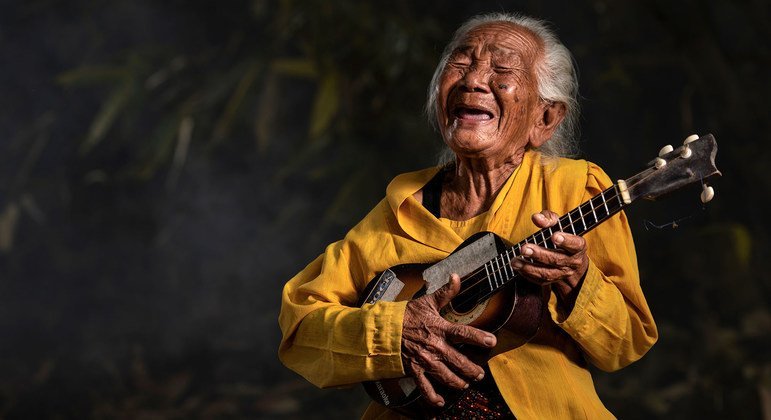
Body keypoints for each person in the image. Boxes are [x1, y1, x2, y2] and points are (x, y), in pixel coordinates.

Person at [278, 12, 657, 419]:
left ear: (544, 118)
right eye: (460, 63)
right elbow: (301, 328)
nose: (473, 80)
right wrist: (394, 330)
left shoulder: (575, 189)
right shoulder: (398, 210)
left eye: (502, 68)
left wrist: (578, 281)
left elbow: (626, 343)